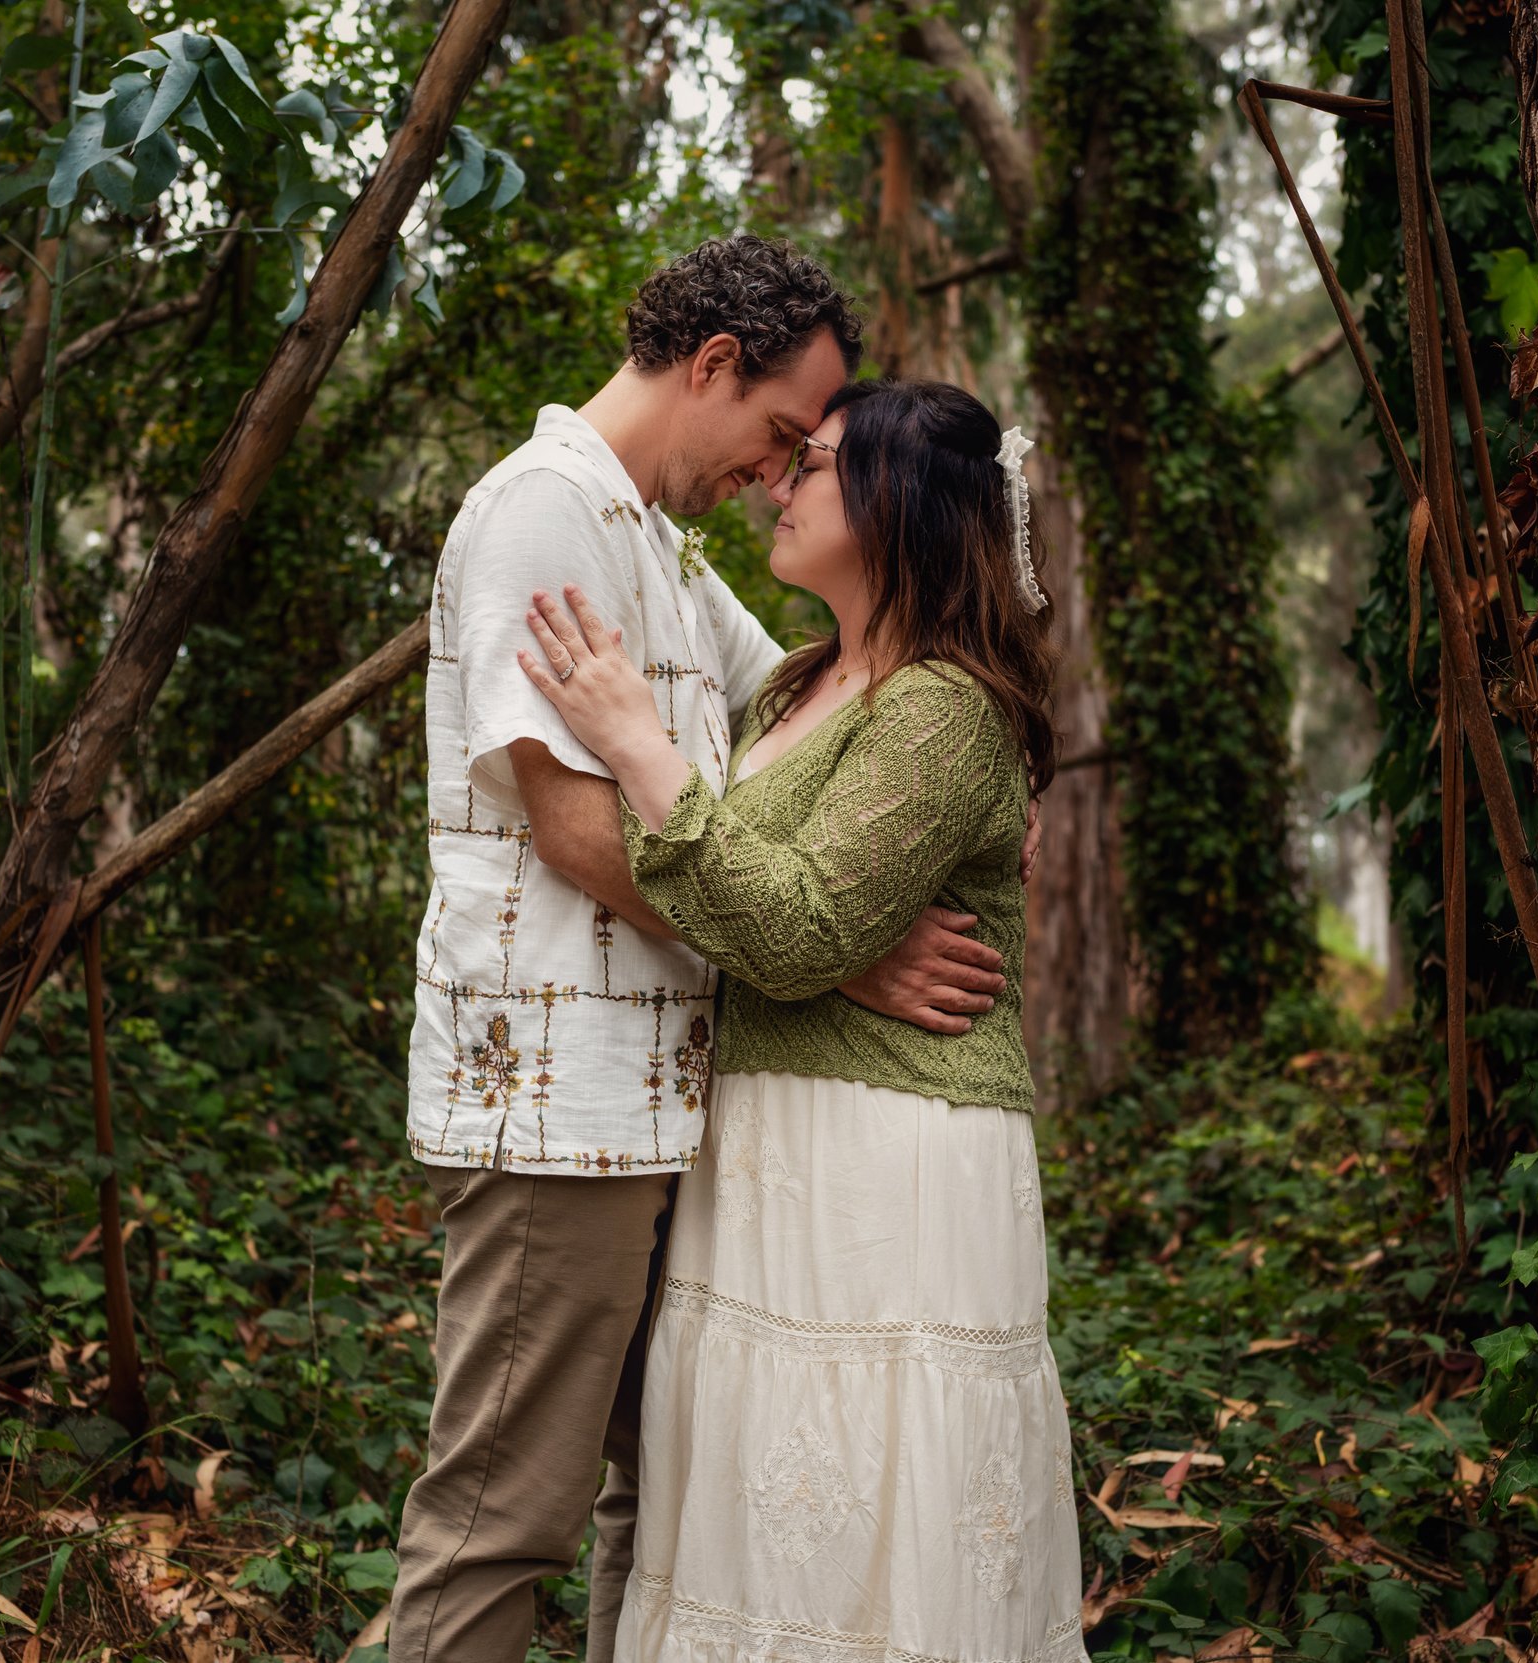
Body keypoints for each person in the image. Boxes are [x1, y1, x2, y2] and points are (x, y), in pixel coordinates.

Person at [391, 236, 1020, 1663]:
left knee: (663, 1503)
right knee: (501, 1516)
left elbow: (834, 690)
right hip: (557, 1099)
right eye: (780, 434)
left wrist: (979, 797)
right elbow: (571, 825)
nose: (775, 474)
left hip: (657, 1104)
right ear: (714, 365)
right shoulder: (542, 514)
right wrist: (832, 954)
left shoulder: (650, 542)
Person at [521, 377, 1089, 1662]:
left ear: (897, 503)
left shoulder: (945, 713)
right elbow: (771, 921)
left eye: (814, 463)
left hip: (888, 1163)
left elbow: (785, 926)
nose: (779, 483)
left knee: (875, 1528)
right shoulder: (794, 687)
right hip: (766, 1154)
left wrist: (633, 738)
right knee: (761, 1522)